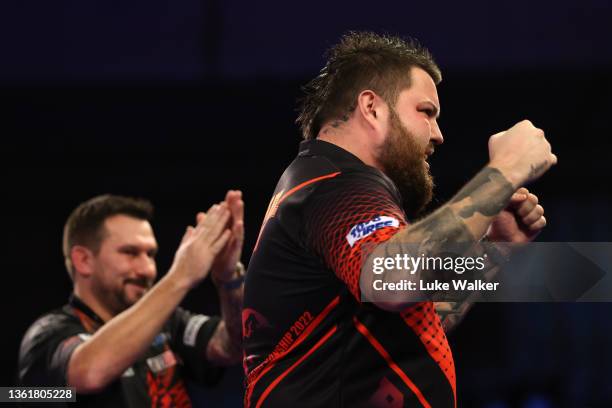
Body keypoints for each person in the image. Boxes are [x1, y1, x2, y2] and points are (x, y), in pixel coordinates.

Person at [242, 32, 556, 407]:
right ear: (372, 108)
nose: (438, 135)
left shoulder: (323, 186)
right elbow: (394, 279)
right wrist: (507, 168)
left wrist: (493, 249)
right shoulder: (333, 185)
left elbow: (413, 320)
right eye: (426, 112)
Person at [18, 191, 245, 407]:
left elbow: (232, 345)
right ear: (84, 260)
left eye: (151, 255)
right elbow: (90, 373)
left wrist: (229, 281)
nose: (147, 269)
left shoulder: (167, 323)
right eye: (130, 253)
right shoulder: (47, 335)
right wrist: (180, 275)